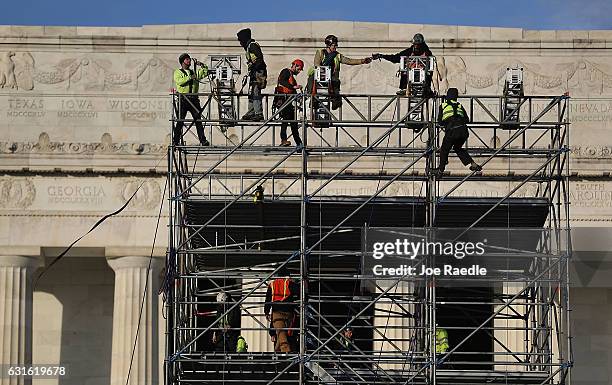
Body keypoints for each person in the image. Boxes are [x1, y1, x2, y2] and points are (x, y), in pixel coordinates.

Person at [310, 35, 372, 110]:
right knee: (311, 79)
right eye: (334, 45)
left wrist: (362, 61)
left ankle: (336, 102)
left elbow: (349, 61)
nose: (335, 47)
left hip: (331, 77)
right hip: (319, 75)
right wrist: (323, 73)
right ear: (328, 45)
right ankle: (313, 100)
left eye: (336, 45)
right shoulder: (320, 52)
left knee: (336, 81)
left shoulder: (337, 55)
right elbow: (317, 64)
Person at [431, 88, 482, 176]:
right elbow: (467, 119)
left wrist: (447, 122)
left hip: (452, 131)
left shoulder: (443, 106)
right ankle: (473, 164)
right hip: (463, 131)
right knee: (457, 148)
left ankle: (440, 170)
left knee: (444, 149)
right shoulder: (459, 105)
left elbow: (440, 122)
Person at [173, 53, 210, 146]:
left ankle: (203, 140)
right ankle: (176, 141)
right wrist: (190, 77)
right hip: (184, 99)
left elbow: (205, 72)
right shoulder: (178, 72)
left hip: (193, 99)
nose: (189, 61)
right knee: (180, 121)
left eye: (189, 59)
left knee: (198, 121)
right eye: (186, 59)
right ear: (182, 62)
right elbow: (180, 82)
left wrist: (201, 64)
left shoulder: (193, 72)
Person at [264, 267, 299, 353]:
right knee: (282, 333)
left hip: (277, 312)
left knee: (281, 332)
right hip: (289, 312)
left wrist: (266, 312)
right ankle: (281, 350)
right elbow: (299, 291)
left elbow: (268, 299)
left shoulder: (272, 285)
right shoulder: (288, 283)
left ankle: (284, 351)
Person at [237, 28, 267, 121]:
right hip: (255, 72)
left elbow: (260, 58)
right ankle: (251, 112)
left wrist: (254, 67)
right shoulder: (249, 46)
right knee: (251, 92)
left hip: (258, 72)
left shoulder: (252, 46)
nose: (240, 43)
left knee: (255, 91)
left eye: (240, 41)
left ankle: (258, 113)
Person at [274, 59, 304, 147]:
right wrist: (293, 86)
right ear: (294, 65)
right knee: (286, 119)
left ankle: (299, 143)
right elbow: (282, 81)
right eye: (298, 69)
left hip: (289, 101)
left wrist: (298, 97)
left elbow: (292, 91)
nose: (299, 72)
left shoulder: (292, 77)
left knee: (293, 122)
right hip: (283, 99)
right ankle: (284, 139)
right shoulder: (285, 72)